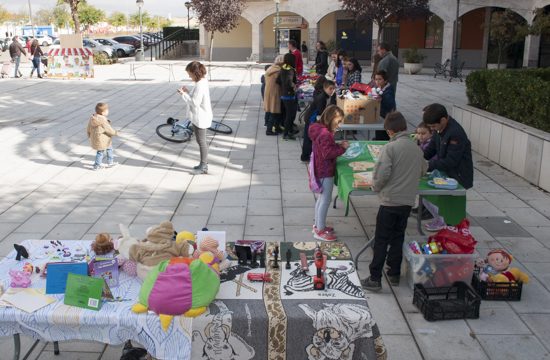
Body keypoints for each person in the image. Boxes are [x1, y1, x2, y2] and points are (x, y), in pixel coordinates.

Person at [362, 112, 427, 291]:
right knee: (398, 237)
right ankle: (394, 273)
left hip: (390, 201)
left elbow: (381, 173)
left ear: (390, 131)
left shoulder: (390, 148)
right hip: (406, 202)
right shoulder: (416, 148)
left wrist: (375, 186)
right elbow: (423, 169)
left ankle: (375, 278)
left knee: (381, 239)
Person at [421, 103, 473, 231]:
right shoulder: (439, 129)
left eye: (433, 126)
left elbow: (451, 161)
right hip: (446, 173)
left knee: (452, 206)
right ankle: (442, 220)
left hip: (458, 175)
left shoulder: (455, 133)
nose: (432, 129)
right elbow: (430, 150)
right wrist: (417, 156)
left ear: (443, 120)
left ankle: (452, 227)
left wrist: (426, 165)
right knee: (430, 197)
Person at [309, 105, 349, 241]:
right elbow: (328, 153)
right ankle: (319, 230)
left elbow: (325, 149)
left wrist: (336, 145)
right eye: (338, 122)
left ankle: (318, 225)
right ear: (331, 119)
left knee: (321, 199)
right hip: (325, 170)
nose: (339, 125)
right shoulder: (326, 134)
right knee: (325, 200)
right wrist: (342, 148)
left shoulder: (319, 129)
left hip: (319, 167)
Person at [178, 61, 213, 174]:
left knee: (201, 141)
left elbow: (194, 103)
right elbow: (197, 98)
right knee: (200, 140)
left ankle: (204, 166)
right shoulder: (202, 82)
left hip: (200, 117)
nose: (189, 76)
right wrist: (188, 92)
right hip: (201, 116)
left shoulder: (199, 85)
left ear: (195, 73)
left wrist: (183, 94)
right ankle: (203, 164)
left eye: (190, 73)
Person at [301, 78, 336, 162]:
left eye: (333, 89)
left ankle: (307, 156)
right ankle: (305, 157)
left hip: (312, 118)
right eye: (330, 89)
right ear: (325, 88)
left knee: (310, 138)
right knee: (308, 138)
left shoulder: (326, 96)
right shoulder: (322, 98)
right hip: (311, 119)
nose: (332, 90)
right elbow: (321, 112)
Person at [87, 102, 119, 170]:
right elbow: (109, 130)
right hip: (103, 140)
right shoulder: (103, 121)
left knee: (108, 149)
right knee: (101, 152)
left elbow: (88, 127)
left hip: (98, 138)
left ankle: (110, 162)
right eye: (107, 110)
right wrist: (116, 133)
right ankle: (97, 165)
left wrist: (89, 134)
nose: (108, 111)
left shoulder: (93, 118)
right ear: (103, 112)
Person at [278, 53, 298, 140]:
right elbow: (289, 82)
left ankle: (289, 131)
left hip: (283, 94)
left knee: (287, 114)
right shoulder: (290, 69)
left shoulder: (283, 67)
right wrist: (293, 86)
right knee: (290, 115)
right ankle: (286, 133)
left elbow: (278, 80)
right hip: (289, 95)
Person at [373, 70, 396, 141]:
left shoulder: (388, 91)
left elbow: (390, 104)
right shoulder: (380, 88)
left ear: (385, 81)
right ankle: (378, 139)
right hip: (381, 115)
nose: (377, 81)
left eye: (380, 79)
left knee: (383, 134)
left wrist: (382, 99)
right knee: (379, 132)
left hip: (387, 117)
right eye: (376, 79)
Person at [264, 55, 284, 135]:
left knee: (271, 110)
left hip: (268, 91)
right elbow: (281, 82)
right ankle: (269, 130)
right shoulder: (278, 71)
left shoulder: (271, 68)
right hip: (275, 92)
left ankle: (276, 127)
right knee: (274, 111)